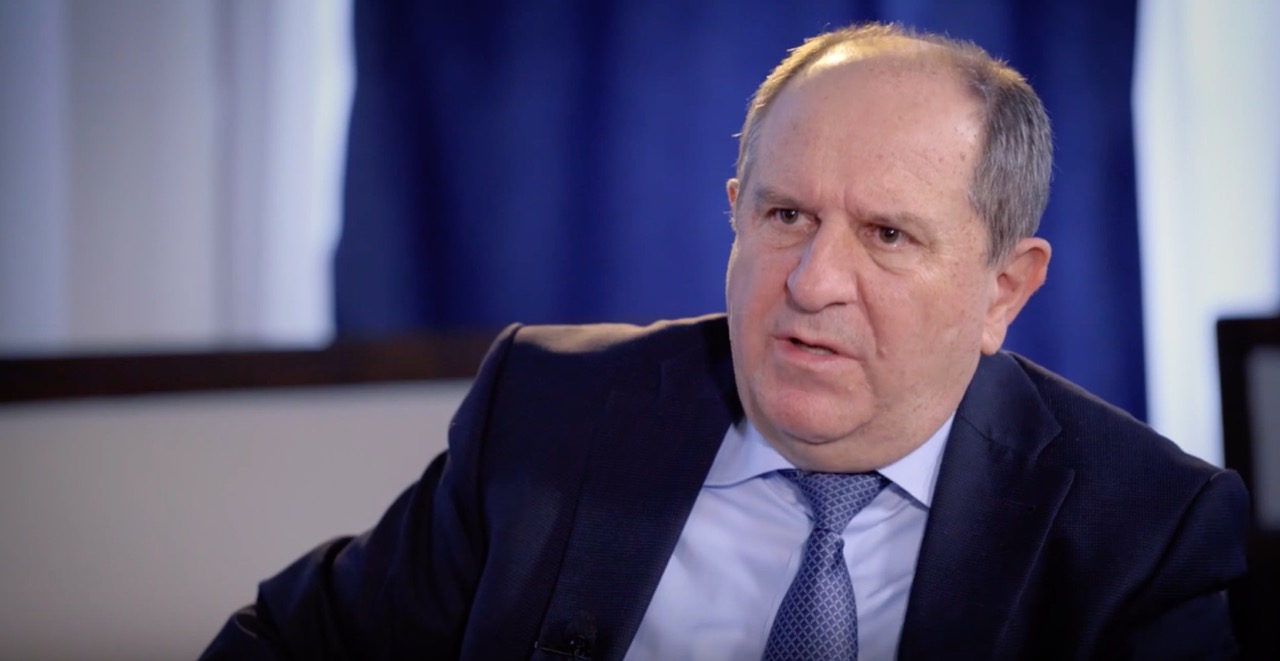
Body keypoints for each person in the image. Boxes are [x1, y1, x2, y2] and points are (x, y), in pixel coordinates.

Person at [203, 22, 1247, 660]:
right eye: (785, 215)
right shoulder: (549, 413)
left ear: (1002, 290)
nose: (812, 281)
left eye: (887, 235)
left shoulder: (1142, 526)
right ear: (735, 213)